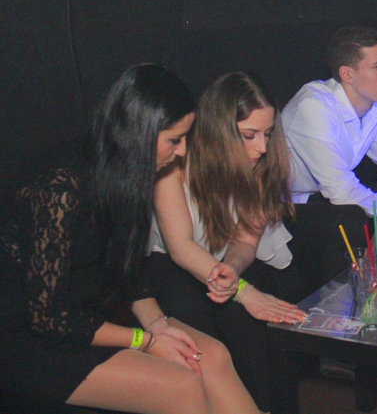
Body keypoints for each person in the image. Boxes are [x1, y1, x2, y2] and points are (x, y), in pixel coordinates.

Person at [0, 64, 261, 414]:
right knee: (181, 386)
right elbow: (49, 318)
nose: (183, 151)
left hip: (96, 316)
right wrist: (146, 340)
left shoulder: (127, 174)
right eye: (174, 140)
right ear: (140, 133)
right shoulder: (60, 185)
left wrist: (158, 326)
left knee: (211, 356)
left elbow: (129, 271)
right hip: (31, 335)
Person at [147, 71, 308, 412]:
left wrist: (233, 270)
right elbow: (180, 247)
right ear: (218, 131)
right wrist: (243, 292)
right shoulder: (173, 163)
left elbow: (245, 240)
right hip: (171, 263)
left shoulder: (263, 165)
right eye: (249, 135)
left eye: (267, 134)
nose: (262, 147)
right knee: (197, 314)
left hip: (224, 261)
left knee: (254, 324)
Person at [281, 26, 377, 295]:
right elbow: (340, 190)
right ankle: (345, 306)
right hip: (286, 208)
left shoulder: (376, 105)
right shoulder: (314, 105)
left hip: (324, 198)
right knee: (351, 217)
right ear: (347, 74)